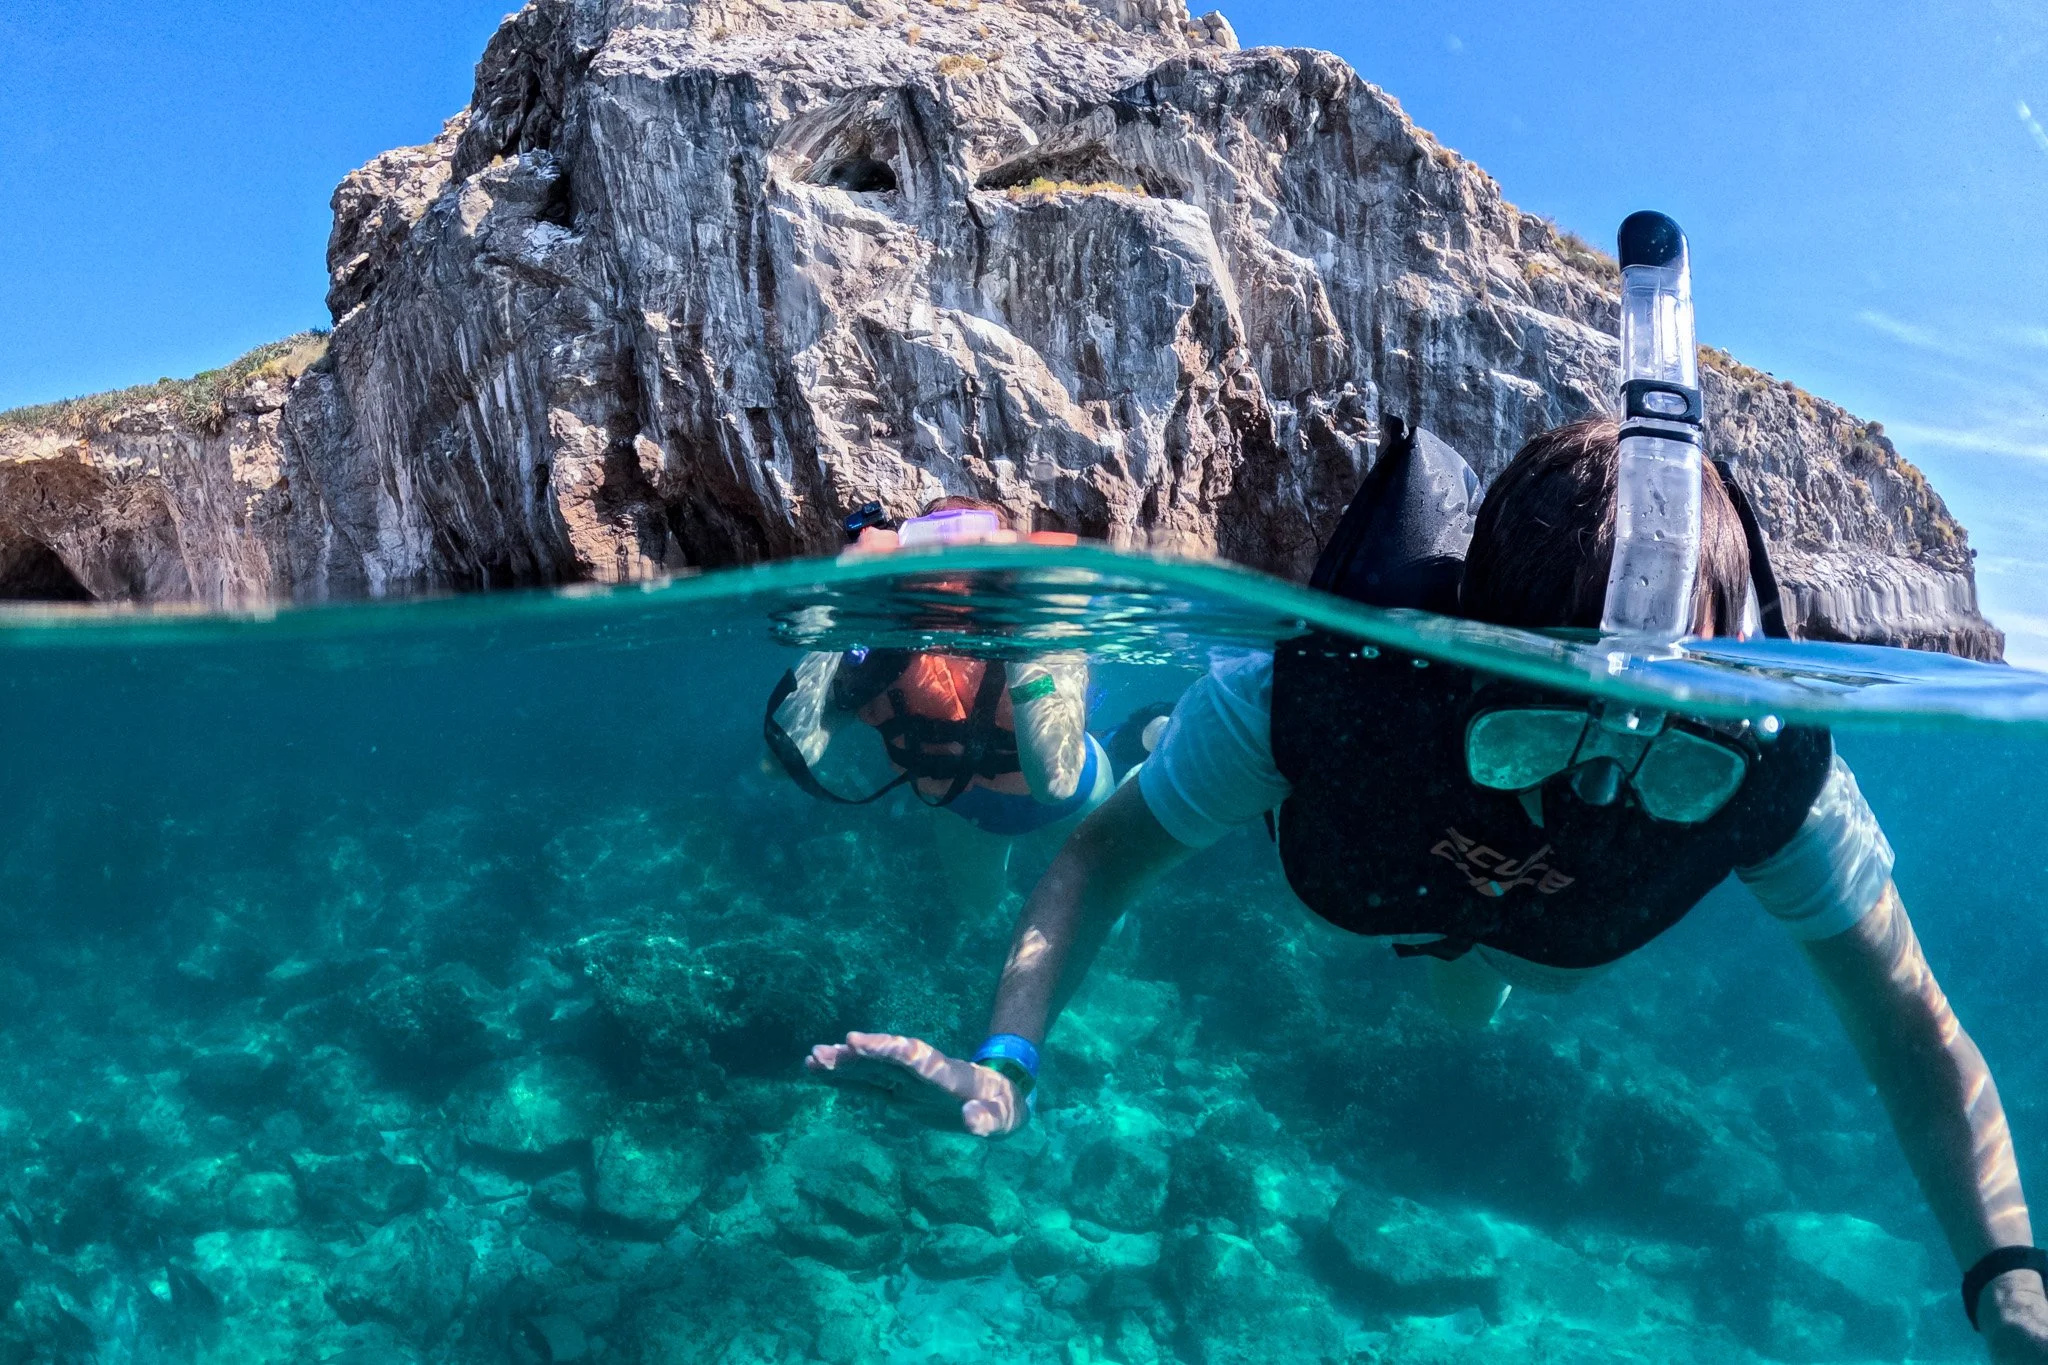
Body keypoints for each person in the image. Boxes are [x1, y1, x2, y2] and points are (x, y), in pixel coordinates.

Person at [807, 420, 2048, 1358]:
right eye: (1539, 733)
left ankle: (1466, 951)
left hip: (1523, 945)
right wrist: (1005, 1062)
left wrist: (2007, 1272)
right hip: (1362, 876)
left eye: (1656, 749)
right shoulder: (1315, 698)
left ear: (1725, 694)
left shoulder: (1770, 776)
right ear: (1452, 651)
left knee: (1469, 990)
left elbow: (1910, 1027)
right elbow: (1096, 856)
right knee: (1229, 805)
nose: (1592, 793)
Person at [765, 497, 1116, 913]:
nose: (948, 579)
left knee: (1101, 907)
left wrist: (1028, 632)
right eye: (927, 546)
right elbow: (789, 755)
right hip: (964, 811)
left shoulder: (1041, 627)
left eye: (972, 549)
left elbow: (1055, 783)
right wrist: (842, 604)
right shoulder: (882, 649)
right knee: (977, 910)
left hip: (1078, 799)